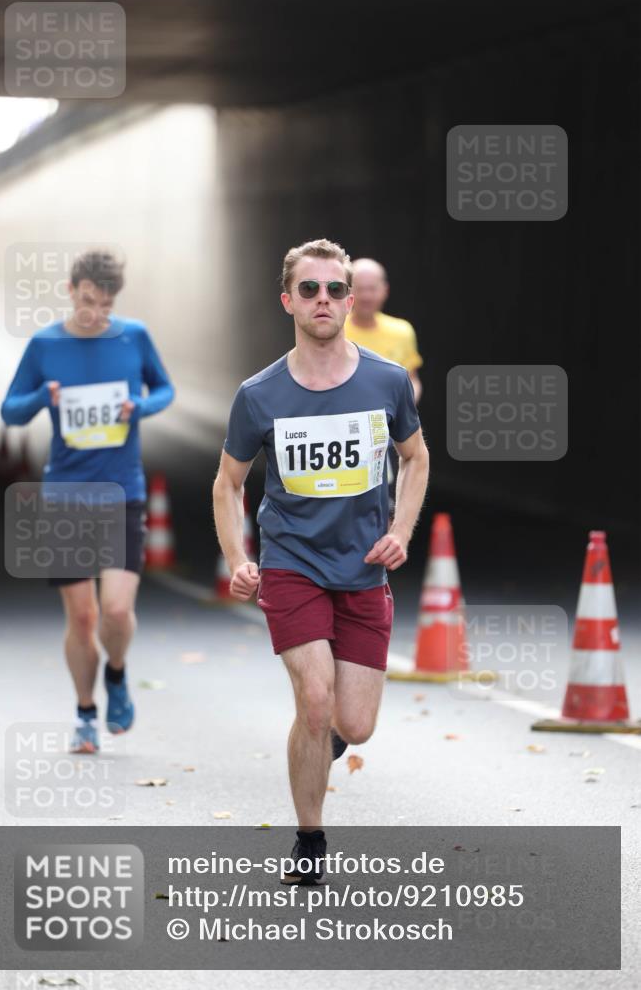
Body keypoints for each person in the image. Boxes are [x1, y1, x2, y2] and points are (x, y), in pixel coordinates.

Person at [213, 238, 429, 884]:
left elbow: (414, 458)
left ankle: (322, 745)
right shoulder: (259, 395)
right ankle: (309, 841)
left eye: (335, 289)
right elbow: (228, 483)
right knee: (314, 699)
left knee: (353, 726)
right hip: (291, 562)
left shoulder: (385, 381)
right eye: (309, 290)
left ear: (349, 297)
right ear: (288, 301)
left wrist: (401, 530)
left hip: (363, 566)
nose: (324, 300)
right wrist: (237, 555)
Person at [1, 250, 175, 754]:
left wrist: (138, 407)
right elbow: (10, 411)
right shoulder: (44, 344)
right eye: (87, 301)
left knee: (116, 611)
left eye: (105, 304)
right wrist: (42, 398)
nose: (95, 313)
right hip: (66, 495)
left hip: (123, 492)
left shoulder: (134, 336)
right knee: (81, 618)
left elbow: (165, 388)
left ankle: (116, 674)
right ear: (70, 288)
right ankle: (84, 712)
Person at [344, 258, 423, 403]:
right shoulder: (335, 329)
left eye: (372, 289)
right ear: (347, 292)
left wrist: (404, 409)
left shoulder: (402, 330)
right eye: (360, 289)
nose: (366, 296)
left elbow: (412, 380)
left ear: (385, 290)